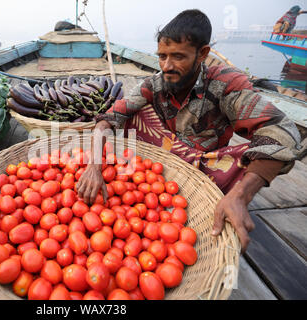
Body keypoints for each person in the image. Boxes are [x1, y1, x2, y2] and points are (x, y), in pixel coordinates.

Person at [76, 9, 306, 253]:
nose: (167, 66)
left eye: (178, 57)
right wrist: (94, 167)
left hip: (207, 166)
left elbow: (283, 131)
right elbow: (106, 120)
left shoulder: (225, 84)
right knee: (134, 113)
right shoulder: (154, 84)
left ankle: (231, 196)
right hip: (163, 156)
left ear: (202, 54)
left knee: (262, 149)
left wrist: (242, 193)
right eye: (162, 56)